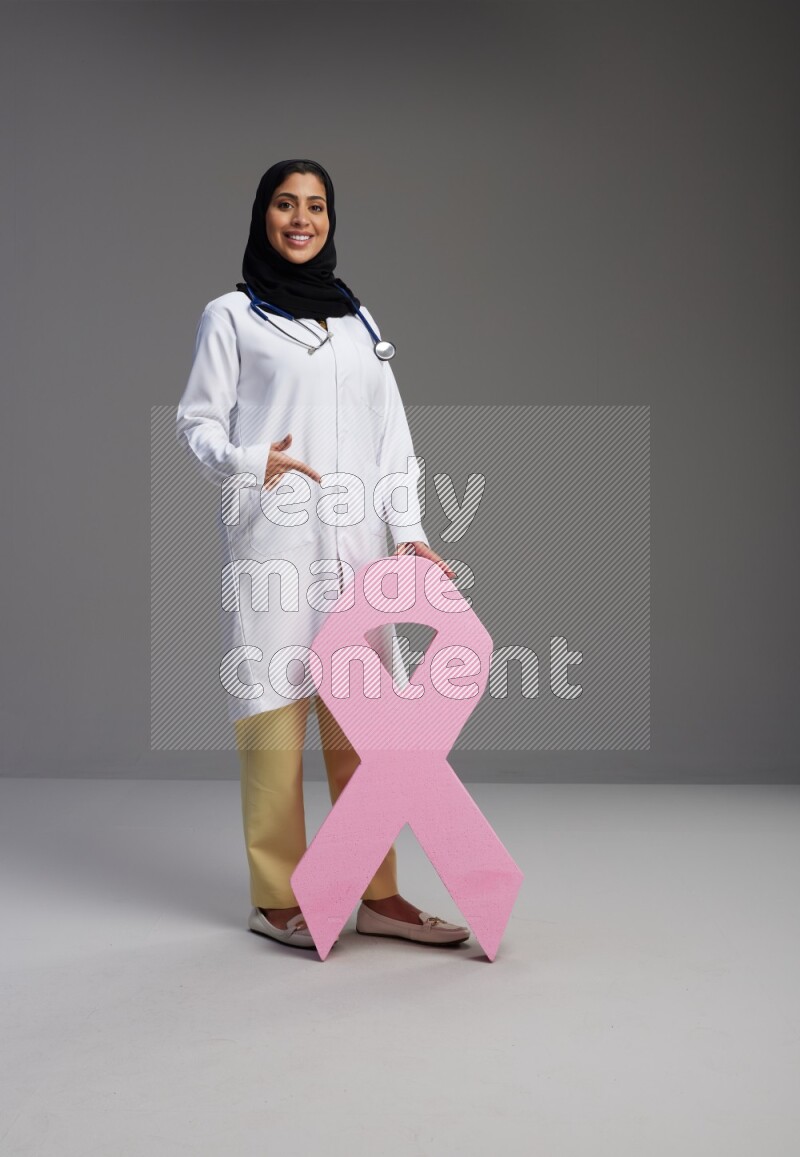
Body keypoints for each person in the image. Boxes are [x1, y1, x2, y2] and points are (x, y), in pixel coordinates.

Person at [176, 159, 470, 950]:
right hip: (274, 541)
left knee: (366, 724)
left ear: (331, 219)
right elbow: (195, 421)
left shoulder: (358, 322)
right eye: (284, 204)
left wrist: (407, 534)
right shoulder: (231, 316)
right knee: (273, 713)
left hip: (358, 549)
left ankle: (376, 891)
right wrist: (248, 459)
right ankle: (276, 897)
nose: (300, 219)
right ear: (262, 215)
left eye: (314, 206)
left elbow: (393, 440)